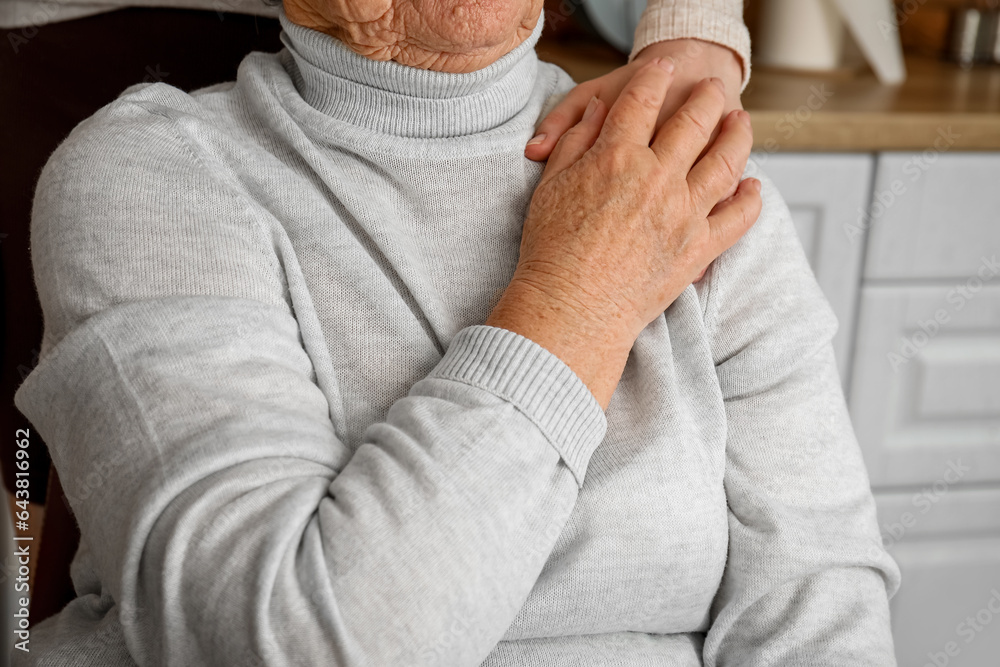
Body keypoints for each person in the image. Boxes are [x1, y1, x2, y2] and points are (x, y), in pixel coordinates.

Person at [12, 1, 901, 666]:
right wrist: (581, 293)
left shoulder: (684, 180)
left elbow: (821, 608)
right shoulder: (156, 174)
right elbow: (290, 640)